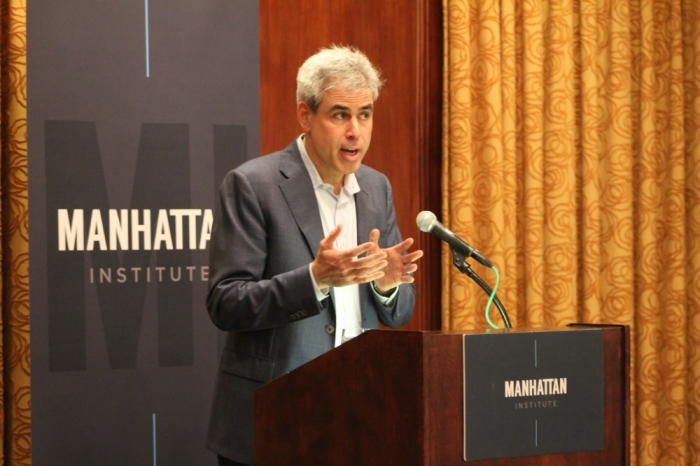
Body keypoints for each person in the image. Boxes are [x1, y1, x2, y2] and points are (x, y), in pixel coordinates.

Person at [206, 45, 423, 466]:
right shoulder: (254, 185)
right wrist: (315, 279)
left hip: (356, 417)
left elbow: (398, 314)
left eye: (365, 114)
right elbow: (226, 302)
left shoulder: (376, 188)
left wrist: (386, 284)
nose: (356, 131)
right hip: (274, 418)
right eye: (340, 114)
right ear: (305, 115)